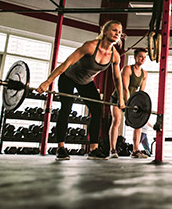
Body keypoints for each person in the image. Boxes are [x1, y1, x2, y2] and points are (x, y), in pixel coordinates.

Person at [36, 20, 125, 160]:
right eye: (114, 30)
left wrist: (121, 98)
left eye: (119, 32)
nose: (117, 34)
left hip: (86, 82)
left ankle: (94, 149)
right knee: (66, 108)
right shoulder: (90, 46)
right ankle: (60, 148)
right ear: (105, 31)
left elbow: (118, 79)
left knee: (97, 109)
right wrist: (48, 82)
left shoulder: (115, 56)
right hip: (68, 78)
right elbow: (67, 63)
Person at [108, 48, 148, 159]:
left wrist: (139, 106)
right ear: (135, 57)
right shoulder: (127, 69)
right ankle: (112, 150)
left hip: (132, 101)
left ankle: (135, 150)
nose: (142, 59)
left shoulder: (144, 74)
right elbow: (124, 88)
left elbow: (141, 93)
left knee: (138, 124)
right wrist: (126, 104)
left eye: (144, 57)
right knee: (116, 121)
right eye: (140, 56)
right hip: (118, 97)